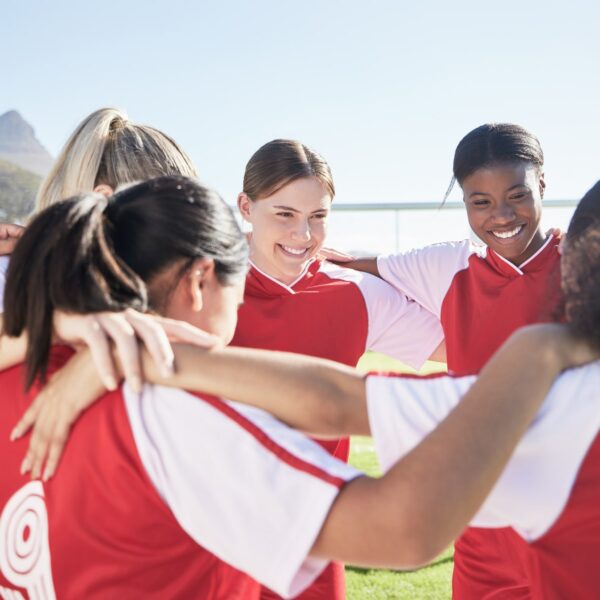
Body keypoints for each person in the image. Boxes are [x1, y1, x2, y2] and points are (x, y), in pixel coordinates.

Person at [2, 176, 592, 599]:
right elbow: (404, 526)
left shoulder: (17, 371)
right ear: (203, 280)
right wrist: (537, 348)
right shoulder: (180, 420)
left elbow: (339, 402)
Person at [327, 122, 560, 598]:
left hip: (569, 507)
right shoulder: (448, 266)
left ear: (542, 183)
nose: (501, 215)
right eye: (481, 202)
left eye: (517, 195)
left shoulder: (582, 261)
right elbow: (353, 266)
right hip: (480, 513)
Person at [233, 139, 445, 599]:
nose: (303, 235)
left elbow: (465, 346)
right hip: (214, 528)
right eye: (285, 214)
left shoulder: (357, 293)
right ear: (246, 207)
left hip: (314, 537)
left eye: (318, 217)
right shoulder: (201, 285)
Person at [0, 107, 206, 390]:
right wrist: (52, 325)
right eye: (171, 212)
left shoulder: (161, 284)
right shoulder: (11, 275)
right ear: (104, 203)